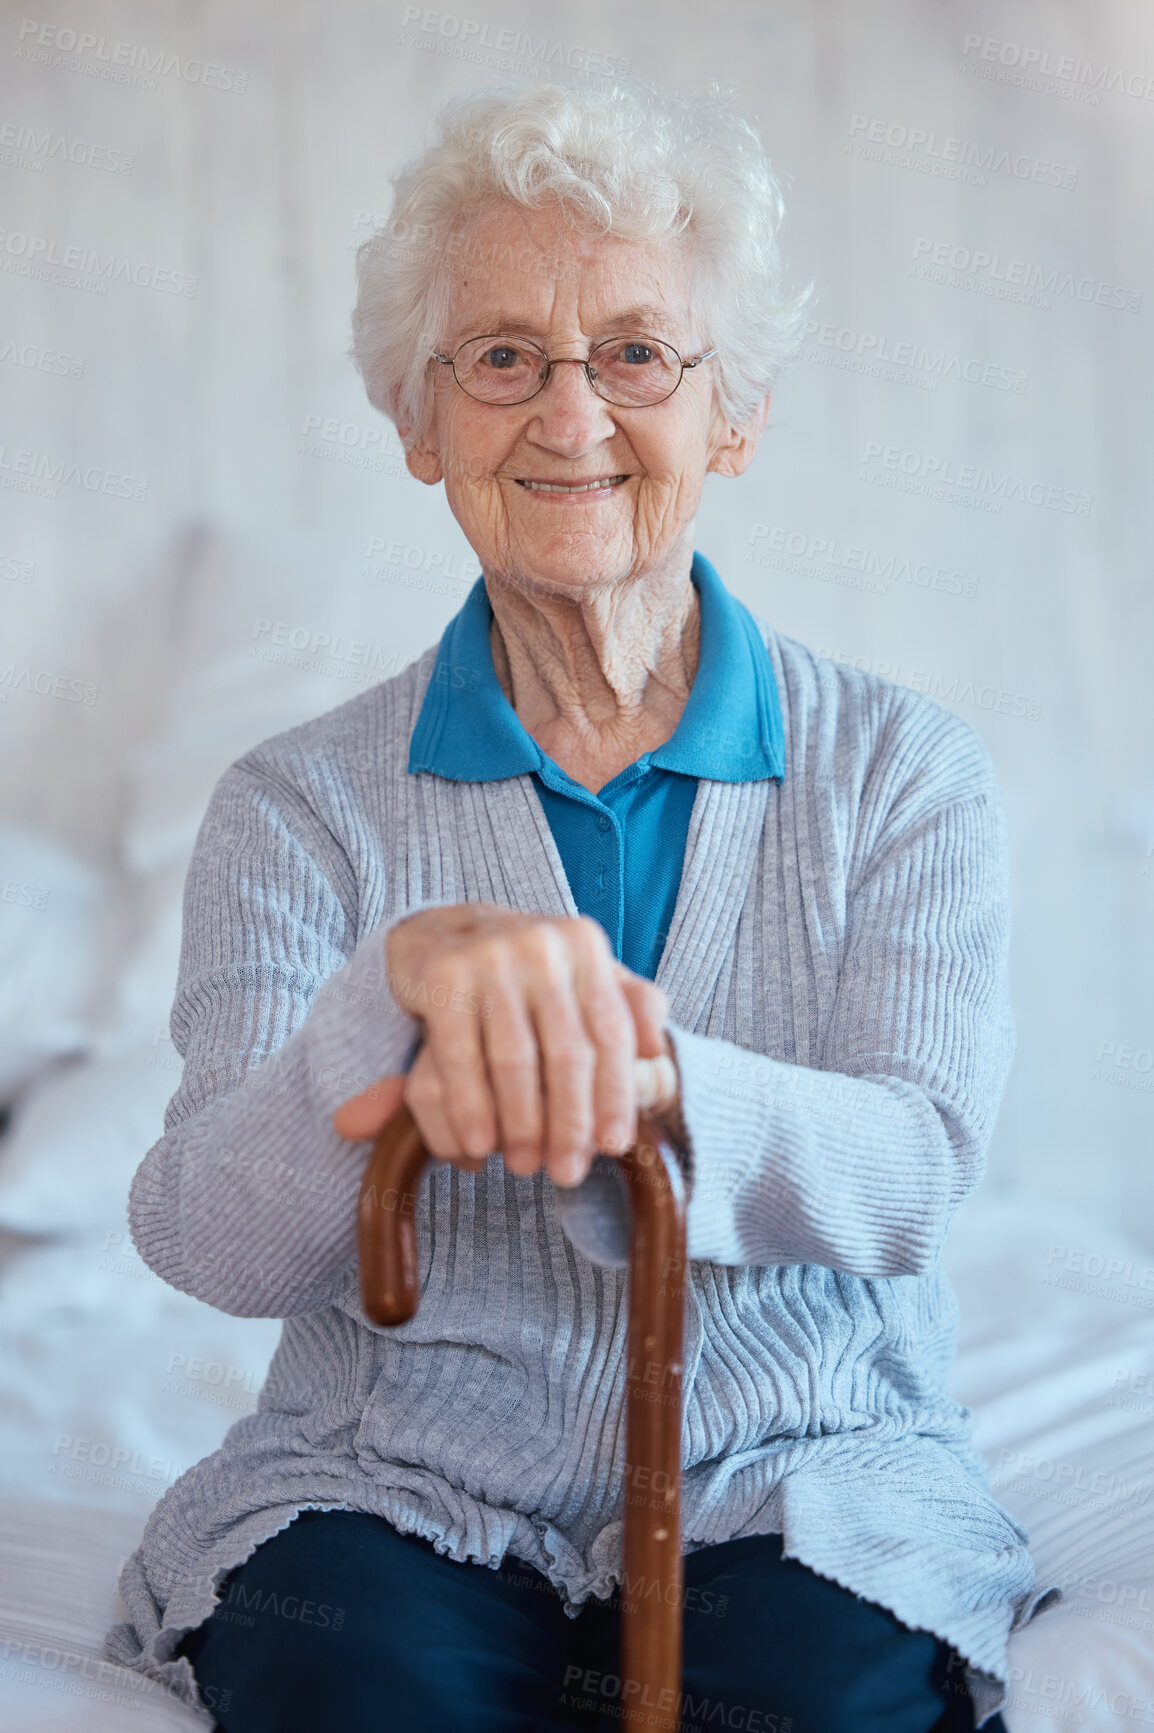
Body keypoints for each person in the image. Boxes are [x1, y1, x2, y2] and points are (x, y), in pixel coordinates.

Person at [105, 78, 1060, 1732]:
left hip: (798, 1472)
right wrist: (386, 996)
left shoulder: (905, 771)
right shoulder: (296, 804)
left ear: (732, 413)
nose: (569, 414)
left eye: (634, 352)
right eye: (500, 357)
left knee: (816, 1706)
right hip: (390, 1483)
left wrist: (638, 1073)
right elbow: (205, 1231)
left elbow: (910, 1171)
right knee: (352, 1683)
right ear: (419, 422)